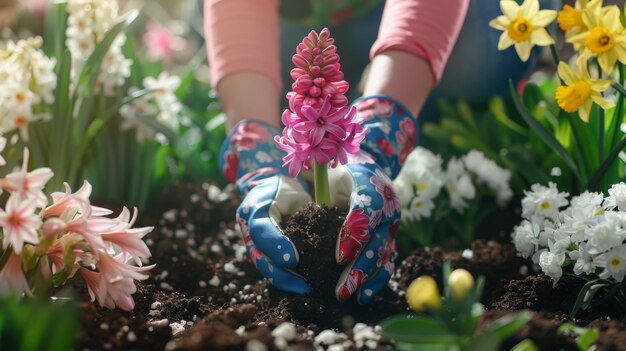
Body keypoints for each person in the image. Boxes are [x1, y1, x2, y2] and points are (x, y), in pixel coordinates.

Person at [204, 0, 469, 303]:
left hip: (393, 18)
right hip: (288, 24)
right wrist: (259, 156)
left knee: (482, 58)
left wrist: (374, 142)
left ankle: (416, 90)